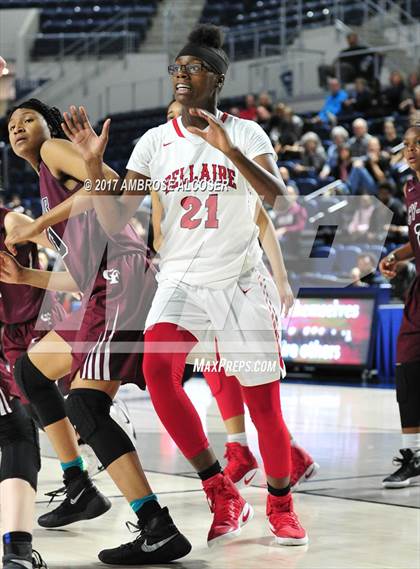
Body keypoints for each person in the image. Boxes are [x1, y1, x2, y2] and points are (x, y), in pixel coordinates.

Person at [65, 24, 309, 547]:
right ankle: (220, 490)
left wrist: (229, 150)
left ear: (216, 78)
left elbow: (279, 198)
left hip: (241, 281)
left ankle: (281, 503)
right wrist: (90, 163)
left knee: (264, 407)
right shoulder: (154, 142)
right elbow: (114, 220)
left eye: (191, 67)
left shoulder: (246, 133)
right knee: (157, 369)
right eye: (175, 68)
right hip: (180, 277)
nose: (180, 74)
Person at [5, 99, 191, 565]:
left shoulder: (55, 153)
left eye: (29, 119)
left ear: (50, 128)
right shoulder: (47, 188)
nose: (18, 128)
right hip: (101, 288)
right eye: (11, 125)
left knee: (85, 407)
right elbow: (78, 273)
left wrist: (37, 227)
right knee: (30, 373)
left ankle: (157, 527)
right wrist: (29, 279)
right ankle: (78, 485)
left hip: (123, 279)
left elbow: (111, 186)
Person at [161, 100, 318, 491]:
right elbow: (162, 236)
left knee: (242, 377)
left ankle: (252, 452)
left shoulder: (229, 165)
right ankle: (267, 452)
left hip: (237, 283)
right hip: (191, 281)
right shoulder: (170, 173)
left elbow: (264, 221)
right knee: (217, 369)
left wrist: (281, 281)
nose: (174, 122)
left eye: (178, 113)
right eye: (168, 117)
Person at [0, 206, 68, 569]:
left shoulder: (11, 222)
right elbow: (71, 252)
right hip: (18, 333)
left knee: (37, 412)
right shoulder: (11, 220)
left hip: (33, 326)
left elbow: (63, 249)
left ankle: (77, 476)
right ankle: (17, 550)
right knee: (20, 427)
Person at [379, 125, 420, 487]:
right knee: (406, 369)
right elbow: (415, 239)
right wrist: (396, 254)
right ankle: (413, 454)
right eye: (406, 145)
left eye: (418, 143)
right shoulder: (409, 189)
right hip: (418, 289)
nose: (410, 150)